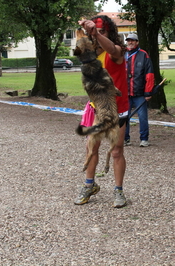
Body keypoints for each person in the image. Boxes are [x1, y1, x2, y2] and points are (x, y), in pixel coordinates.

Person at [75, 15, 129, 208]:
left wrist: (96, 33)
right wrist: (84, 31)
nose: (97, 35)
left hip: (118, 110)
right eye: (96, 31)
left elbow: (112, 49)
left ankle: (118, 191)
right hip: (97, 109)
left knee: (116, 151)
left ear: (109, 32)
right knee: (91, 149)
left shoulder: (116, 51)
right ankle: (89, 185)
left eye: (103, 31)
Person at [124, 33, 154, 147]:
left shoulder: (144, 55)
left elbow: (149, 74)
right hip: (125, 93)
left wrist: (148, 92)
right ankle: (125, 139)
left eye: (133, 40)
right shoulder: (123, 54)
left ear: (137, 42)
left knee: (142, 117)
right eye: (128, 40)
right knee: (124, 117)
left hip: (140, 93)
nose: (130, 42)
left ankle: (144, 139)